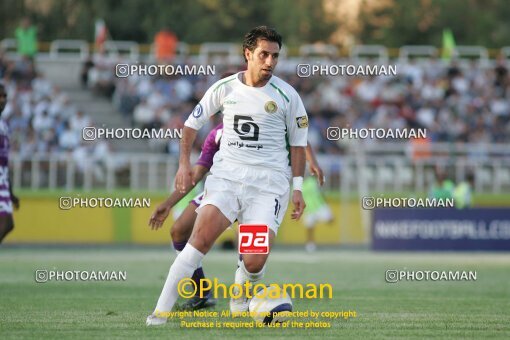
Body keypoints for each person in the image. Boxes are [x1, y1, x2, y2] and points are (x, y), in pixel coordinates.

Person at [147, 26, 309, 325]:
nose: (270, 62)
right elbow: (190, 126)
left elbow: (299, 145)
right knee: (198, 242)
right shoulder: (224, 88)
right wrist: (184, 163)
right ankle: (158, 314)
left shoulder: (288, 96)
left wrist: (297, 188)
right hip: (226, 180)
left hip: (268, 187)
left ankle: (240, 296)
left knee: (254, 261)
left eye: (275, 56)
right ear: (248, 54)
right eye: (264, 55)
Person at [149, 123, 324, 310]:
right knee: (179, 230)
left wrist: (311, 160)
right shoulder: (218, 133)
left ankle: (242, 291)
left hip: (260, 193)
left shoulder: (269, 121)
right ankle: (201, 293)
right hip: (225, 190)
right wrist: (169, 203)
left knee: (250, 258)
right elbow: (197, 173)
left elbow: (299, 133)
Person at [0, 83, 20, 243]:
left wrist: (10, 191)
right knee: (6, 223)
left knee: (8, 224)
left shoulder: (4, 125)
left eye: (4, 96)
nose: (2, 100)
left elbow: (5, 161)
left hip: (3, 179)